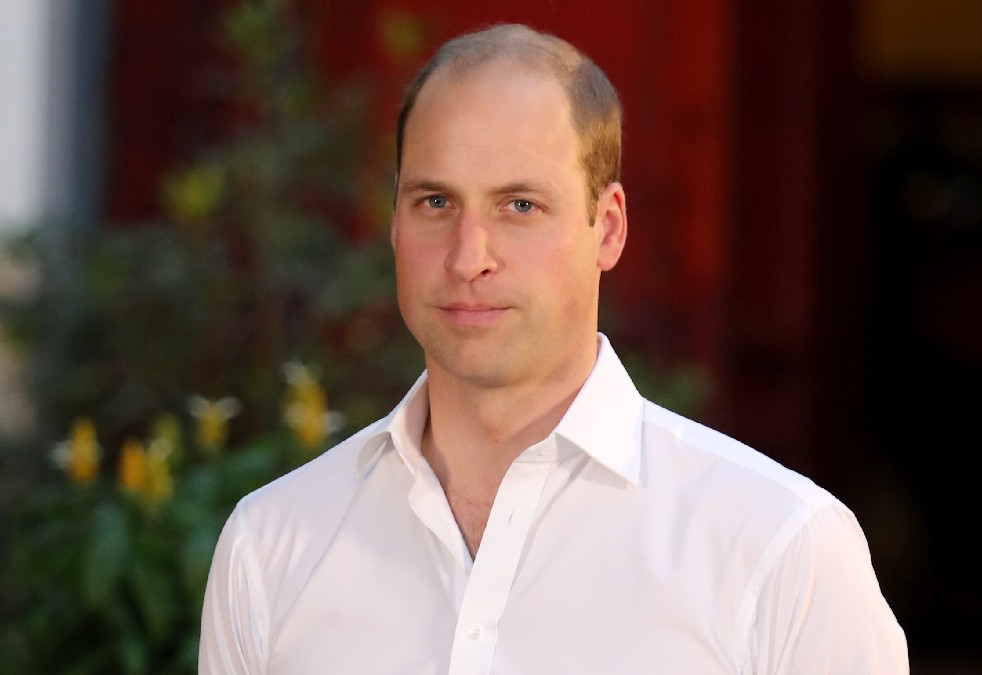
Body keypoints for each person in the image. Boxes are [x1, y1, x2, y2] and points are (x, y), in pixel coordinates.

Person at [200, 23, 908, 674]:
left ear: (608, 228)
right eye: (435, 202)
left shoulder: (780, 549)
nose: (468, 255)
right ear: (394, 221)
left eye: (520, 206)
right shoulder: (271, 546)